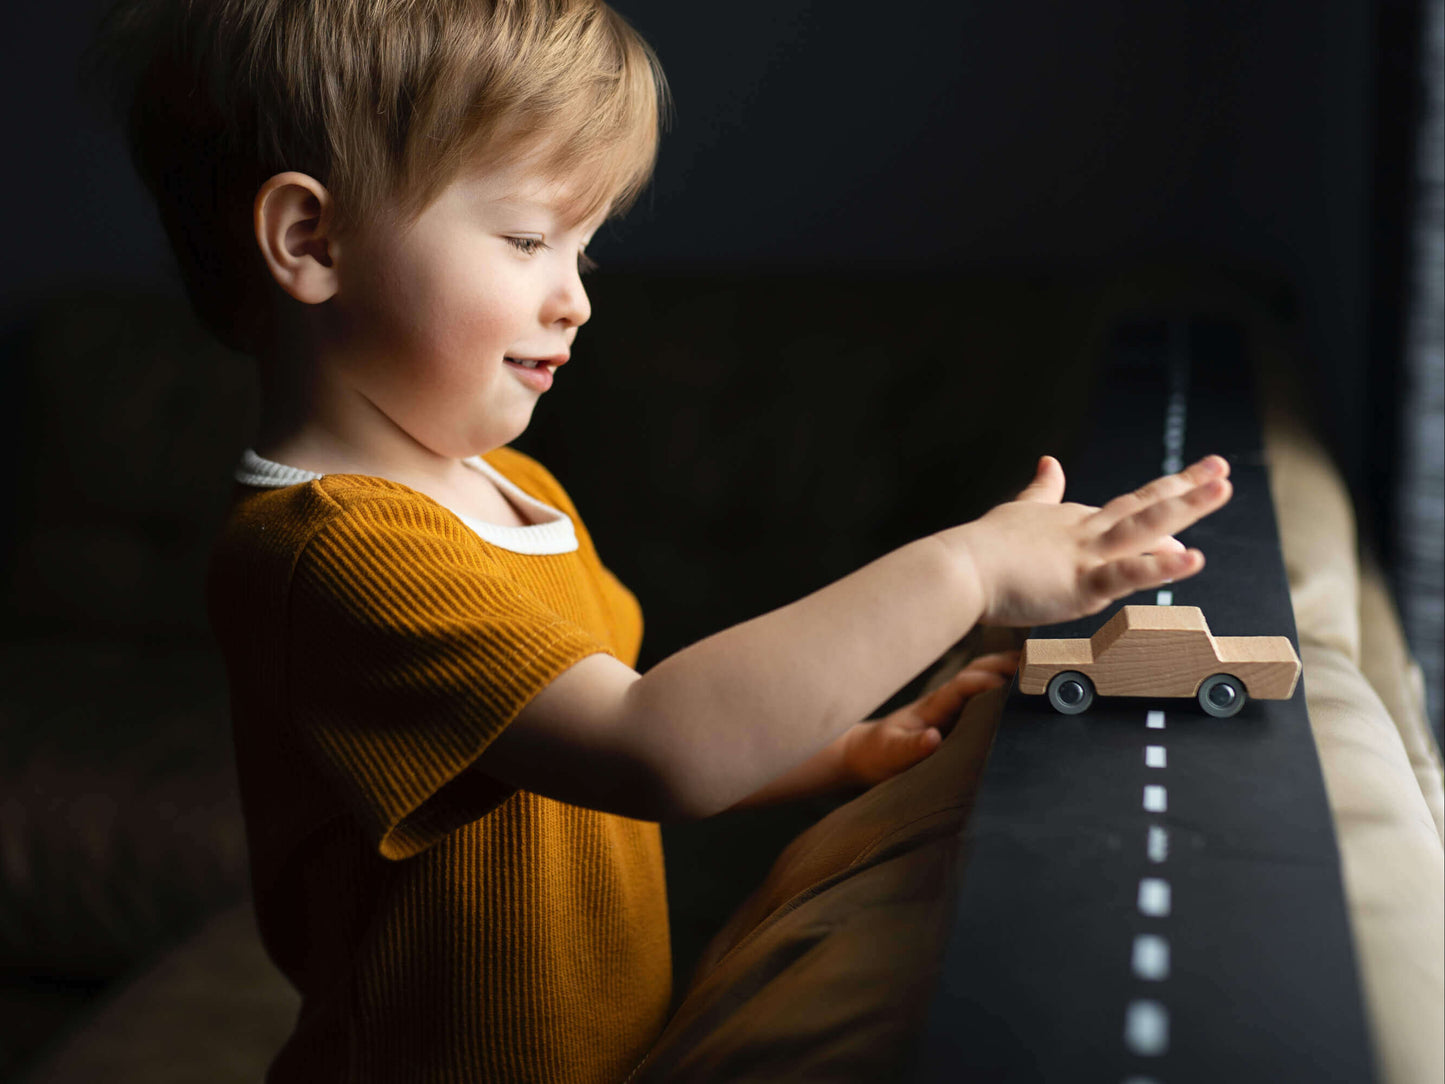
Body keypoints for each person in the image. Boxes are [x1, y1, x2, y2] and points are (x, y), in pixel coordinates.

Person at [85, 0, 1233, 1079]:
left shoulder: (505, 487)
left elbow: (585, 745)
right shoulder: (335, 551)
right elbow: (658, 743)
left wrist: (836, 750)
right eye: (529, 237)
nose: (574, 296)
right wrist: (967, 567)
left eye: (584, 248)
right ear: (308, 238)